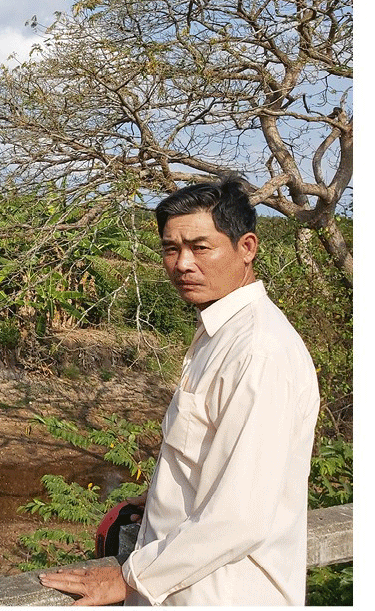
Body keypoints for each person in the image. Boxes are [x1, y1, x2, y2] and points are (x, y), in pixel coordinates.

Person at [39, 177, 320, 605]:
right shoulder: (218, 332)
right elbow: (212, 465)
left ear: (247, 247)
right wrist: (156, 501)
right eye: (171, 249)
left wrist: (128, 579)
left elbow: (240, 515)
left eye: (200, 247)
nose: (183, 263)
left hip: (221, 594)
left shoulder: (259, 351)